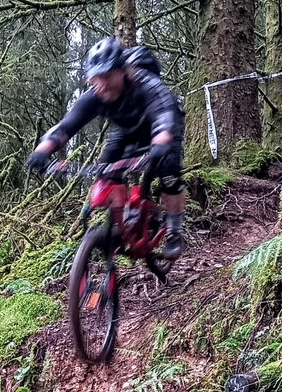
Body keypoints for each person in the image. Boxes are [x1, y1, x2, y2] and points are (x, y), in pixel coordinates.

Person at [26, 37, 186, 259]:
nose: (101, 85)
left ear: (122, 70)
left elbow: (164, 116)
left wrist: (161, 143)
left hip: (160, 130)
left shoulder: (146, 85)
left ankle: (174, 231)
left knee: (169, 172)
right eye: (95, 79)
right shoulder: (93, 96)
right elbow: (65, 128)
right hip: (125, 132)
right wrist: (42, 150)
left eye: (107, 76)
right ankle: (119, 223)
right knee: (106, 172)